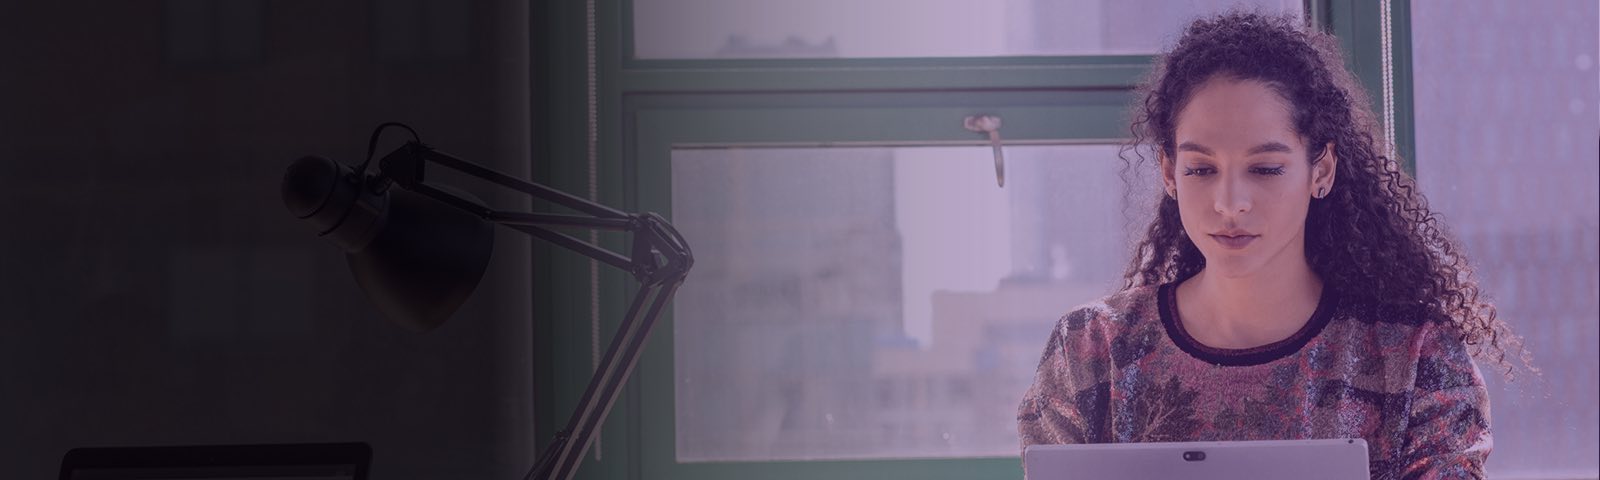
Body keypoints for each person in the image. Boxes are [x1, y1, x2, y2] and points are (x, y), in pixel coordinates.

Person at [1015, 10, 1530, 480]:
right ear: (1170, 174)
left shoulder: (1415, 353)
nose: (1230, 202)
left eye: (1265, 169)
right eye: (1201, 169)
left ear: (1321, 169)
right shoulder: (1090, 349)